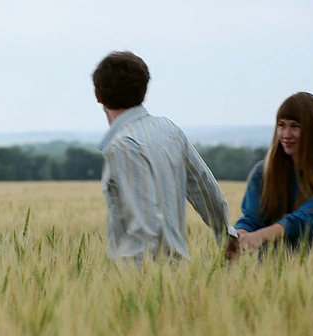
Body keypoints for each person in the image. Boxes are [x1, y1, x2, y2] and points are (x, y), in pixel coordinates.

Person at [92, 50, 238, 266]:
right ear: (143, 90)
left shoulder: (123, 146)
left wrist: (138, 280)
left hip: (141, 277)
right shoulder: (168, 130)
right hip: (177, 274)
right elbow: (204, 186)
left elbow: (144, 224)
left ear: (98, 96)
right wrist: (225, 233)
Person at [234, 92, 313, 255]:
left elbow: (308, 219)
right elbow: (251, 218)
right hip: (270, 274)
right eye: (281, 125)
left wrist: (261, 236)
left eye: (295, 126)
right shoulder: (262, 174)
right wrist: (240, 235)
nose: (286, 134)